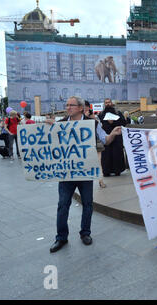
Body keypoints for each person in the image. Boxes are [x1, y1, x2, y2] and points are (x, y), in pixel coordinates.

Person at [48, 96, 123, 253]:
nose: (68, 107)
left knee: (88, 204)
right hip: (67, 172)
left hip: (85, 171)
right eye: (67, 105)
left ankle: (85, 233)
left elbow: (105, 140)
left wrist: (113, 134)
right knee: (62, 205)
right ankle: (61, 237)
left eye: (71, 105)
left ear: (81, 108)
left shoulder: (93, 124)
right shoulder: (60, 124)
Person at [97, 98, 127, 177]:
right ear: (104, 104)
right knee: (106, 155)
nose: (107, 104)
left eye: (109, 102)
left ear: (111, 103)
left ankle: (117, 170)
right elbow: (98, 125)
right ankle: (106, 171)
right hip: (105, 137)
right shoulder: (101, 114)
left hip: (117, 138)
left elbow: (123, 123)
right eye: (106, 103)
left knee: (117, 154)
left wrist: (114, 122)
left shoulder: (118, 113)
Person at [85, 100, 106, 188]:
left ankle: (101, 181)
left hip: (95, 143)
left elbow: (99, 127)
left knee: (98, 163)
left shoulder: (92, 116)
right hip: (85, 144)